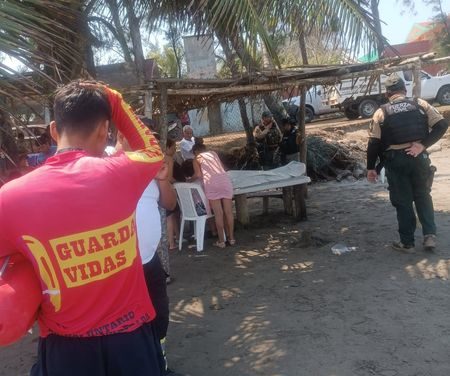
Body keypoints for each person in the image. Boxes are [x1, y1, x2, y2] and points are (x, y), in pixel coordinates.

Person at [0, 81, 166, 375]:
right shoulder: (122, 172)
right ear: (104, 130)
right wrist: (115, 100)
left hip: (66, 350)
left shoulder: (10, 197)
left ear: (54, 130)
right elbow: (152, 150)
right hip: (130, 342)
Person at [115, 131, 179, 375]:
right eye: (141, 136)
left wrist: (163, 180)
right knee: (126, 325)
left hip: (150, 261)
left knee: (160, 317)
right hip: (121, 268)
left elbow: (170, 205)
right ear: (122, 135)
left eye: (151, 137)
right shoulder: (106, 164)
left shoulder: (148, 168)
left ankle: (159, 366)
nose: (148, 141)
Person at [366, 74, 448, 252]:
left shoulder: (381, 112)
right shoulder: (420, 104)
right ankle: (429, 236)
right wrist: (422, 145)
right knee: (423, 195)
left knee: (402, 201)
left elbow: (374, 143)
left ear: (388, 93)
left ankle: (407, 242)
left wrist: (371, 168)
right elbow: (442, 125)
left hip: (396, 161)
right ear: (404, 90)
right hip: (419, 157)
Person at [190, 138, 235, 248]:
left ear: (195, 152)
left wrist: (190, 179)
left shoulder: (196, 159)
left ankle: (221, 241)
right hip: (224, 181)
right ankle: (231, 238)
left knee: (218, 213)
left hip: (211, 183)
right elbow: (222, 168)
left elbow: (198, 175)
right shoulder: (213, 153)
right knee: (228, 212)